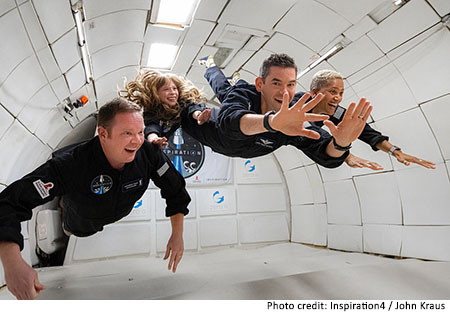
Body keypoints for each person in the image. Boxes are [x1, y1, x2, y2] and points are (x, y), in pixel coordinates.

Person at [0, 98, 190, 299]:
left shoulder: (149, 155)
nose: (137, 141)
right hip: (80, 223)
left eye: (140, 132)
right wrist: (12, 264)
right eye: (127, 133)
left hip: (118, 210)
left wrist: (177, 234)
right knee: (74, 227)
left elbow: (175, 189)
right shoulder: (70, 165)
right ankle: (63, 206)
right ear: (103, 134)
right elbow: (9, 203)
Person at [121, 54, 372, 169]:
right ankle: (209, 64)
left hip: (244, 147)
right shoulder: (243, 94)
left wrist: (342, 146)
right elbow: (230, 122)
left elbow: (324, 153)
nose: (284, 92)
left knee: (219, 91)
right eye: (276, 83)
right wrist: (271, 122)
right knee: (222, 90)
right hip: (214, 130)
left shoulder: (292, 122)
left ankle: (210, 66)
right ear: (261, 85)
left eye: (290, 85)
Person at [200, 56, 435, 170]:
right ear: (314, 93)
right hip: (246, 118)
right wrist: (346, 155)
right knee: (225, 89)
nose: (337, 98)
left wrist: (394, 151)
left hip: (259, 141)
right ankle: (210, 66)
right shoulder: (299, 102)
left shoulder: (333, 110)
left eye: (340, 93)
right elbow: (313, 132)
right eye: (332, 92)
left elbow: (363, 130)